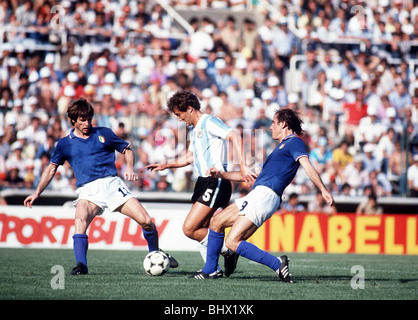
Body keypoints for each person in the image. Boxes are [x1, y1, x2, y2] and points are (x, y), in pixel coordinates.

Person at [24, 98, 178, 275]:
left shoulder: (103, 133)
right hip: (88, 190)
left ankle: (156, 253)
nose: (87, 123)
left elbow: (127, 149)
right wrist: (37, 192)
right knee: (80, 221)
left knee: (146, 221)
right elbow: (51, 168)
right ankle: (81, 266)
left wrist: (128, 167)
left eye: (89, 118)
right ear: (73, 120)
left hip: (112, 185)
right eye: (82, 119)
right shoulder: (65, 143)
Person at [192, 108, 334, 281]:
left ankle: (277, 263)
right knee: (216, 221)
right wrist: (220, 174)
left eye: (273, 123)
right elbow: (248, 175)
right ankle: (210, 269)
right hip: (257, 194)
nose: (270, 127)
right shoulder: (278, 150)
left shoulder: (294, 142)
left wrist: (323, 189)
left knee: (232, 242)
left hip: (265, 196)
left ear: (283, 124)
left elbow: (307, 165)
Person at [146, 90, 253, 276]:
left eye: (179, 115)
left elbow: (235, 136)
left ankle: (228, 251)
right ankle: (213, 268)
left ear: (189, 109)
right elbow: (189, 156)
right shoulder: (194, 130)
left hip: (215, 181)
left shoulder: (209, 122)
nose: (179, 119)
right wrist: (166, 165)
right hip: (204, 182)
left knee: (189, 228)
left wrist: (243, 165)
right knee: (201, 228)